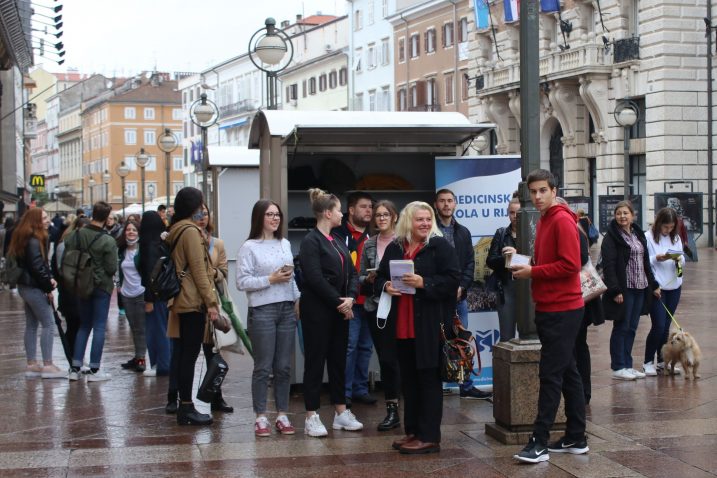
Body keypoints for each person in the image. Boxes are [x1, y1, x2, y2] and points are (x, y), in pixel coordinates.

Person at [511, 170, 587, 464]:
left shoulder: (561, 219)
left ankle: (539, 442)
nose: (537, 196)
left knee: (551, 375)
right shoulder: (546, 219)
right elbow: (552, 262)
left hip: (562, 309)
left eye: (543, 190)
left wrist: (533, 272)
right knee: (568, 372)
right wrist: (527, 262)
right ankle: (577, 436)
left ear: (554, 190)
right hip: (553, 307)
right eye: (533, 191)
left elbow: (570, 265)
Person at [375, 201, 459, 455]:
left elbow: (453, 279)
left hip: (429, 325)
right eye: (419, 219)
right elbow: (379, 276)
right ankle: (412, 432)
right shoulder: (396, 246)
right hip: (401, 325)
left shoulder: (439, 245)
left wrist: (425, 283)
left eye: (427, 219)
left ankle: (430, 437)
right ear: (408, 221)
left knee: (428, 380)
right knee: (408, 381)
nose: (424, 223)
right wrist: (385, 286)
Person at [299, 188, 362, 437]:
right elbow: (314, 278)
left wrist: (351, 298)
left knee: (338, 362)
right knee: (315, 363)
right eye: (338, 210)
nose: (342, 214)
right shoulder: (310, 241)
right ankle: (311, 416)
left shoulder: (336, 240)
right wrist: (340, 302)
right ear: (327, 213)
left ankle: (340, 412)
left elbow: (354, 273)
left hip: (340, 311)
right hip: (318, 311)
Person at [237, 199, 300, 437]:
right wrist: (270, 280)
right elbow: (242, 282)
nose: (275, 218)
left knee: (284, 366)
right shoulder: (249, 247)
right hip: (262, 310)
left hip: (286, 308)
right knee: (263, 367)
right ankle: (260, 416)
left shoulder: (284, 243)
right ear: (259, 218)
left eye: (277, 215)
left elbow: (291, 276)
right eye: (270, 214)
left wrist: (297, 299)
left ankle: (282, 414)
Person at [166, 187, 220, 426]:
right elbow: (199, 271)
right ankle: (186, 407)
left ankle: (183, 404)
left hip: (182, 298)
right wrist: (211, 302)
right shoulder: (190, 232)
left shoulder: (176, 228)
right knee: (189, 355)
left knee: (185, 354)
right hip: (191, 300)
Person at [434, 189, 489, 400]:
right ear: (436, 204)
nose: (446, 205)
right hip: (437, 298)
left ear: (455, 204)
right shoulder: (430, 231)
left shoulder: (463, 232)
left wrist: (462, 287)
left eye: (450, 201)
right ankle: (436, 387)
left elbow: (469, 263)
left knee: (462, 343)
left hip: (459, 297)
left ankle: (466, 386)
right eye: (442, 201)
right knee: (438, 342)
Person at [601, 200, 660, 381]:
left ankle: (628, 364)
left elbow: (645, 262)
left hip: (640, 287)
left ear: (632, 215)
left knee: (632, 328)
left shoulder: (637, 234)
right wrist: (615, 290)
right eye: (618, 213)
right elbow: (609, 266)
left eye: (625, 213)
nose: (622, 216)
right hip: (624, 289)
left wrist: (654, 284)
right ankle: (618, 366)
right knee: (622, 327)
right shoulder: (611, 237)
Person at [359, 200, 402, 431]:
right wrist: (370, 279)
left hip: (402, 305)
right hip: (376, 307)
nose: (381, 218)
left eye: (386, 214)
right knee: (386, 359)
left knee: (403, 358)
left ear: (395, 217)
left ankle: (409, 406)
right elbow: (358, 279)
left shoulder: (404, 241)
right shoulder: (369, 245)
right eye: (378, 215)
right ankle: (392, 409)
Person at [9, 208, 65, 379]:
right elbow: (37, 266)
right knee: (48, 323)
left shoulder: (25, 237)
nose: (48, 220)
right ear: (35, 221)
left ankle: (32, 363)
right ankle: (47, 364)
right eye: (45, 218)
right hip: (33, 286)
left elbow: (37, 265)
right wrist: (48, 286)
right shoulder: (34, 240)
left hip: (25, 285)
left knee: (32, 324)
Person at [332, 191, 376, 406]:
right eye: (364, 206)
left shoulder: (373, 236)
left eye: (370, 207)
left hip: (369, 301)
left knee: (366, 347)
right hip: (348, 301)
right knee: (349, 347)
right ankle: (345, 392)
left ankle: (360, 388)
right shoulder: (338, 234)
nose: (369, 210)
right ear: (350, 210)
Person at [67, 201, 118, 382]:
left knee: (84, 325)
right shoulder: (108, 240)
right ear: (105, 218)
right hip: (101, 286)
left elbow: (67, 251)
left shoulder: (76, 235)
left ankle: (75, 367)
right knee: (99, 327)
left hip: (81, 284)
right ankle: (95, 368)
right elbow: (112, 267)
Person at [196, 203, 234, 413]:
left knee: (213, 352)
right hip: (193, 303)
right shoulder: (189, 238)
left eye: (205, 213)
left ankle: (215, 397)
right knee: (188, 352)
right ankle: (176, 397)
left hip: (212, 303)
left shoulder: (217, 243)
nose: (202, 217)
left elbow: (223, 272)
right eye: (197, 214)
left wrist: (208, 273)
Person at [643, 207, 684, 376]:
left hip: (674, 285)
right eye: (666, 227)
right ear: (659, 223)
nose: (668, 230)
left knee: (666, 326)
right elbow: (645, 262)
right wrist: (657, 258)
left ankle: (662, 360)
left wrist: (678, 260)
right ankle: (647, 362)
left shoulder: (676, 238)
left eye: (671, 227)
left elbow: (682, 258)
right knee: (658, 325)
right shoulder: (648, 237)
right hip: (658, 287)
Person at [574, 210, 604, 405]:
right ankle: (582, 391)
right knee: (579, 345)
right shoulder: (577, 229)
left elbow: (581, 258)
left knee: (578, 345)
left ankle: (582, 391)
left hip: (578, 297)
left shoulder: (576, 230)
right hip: (578, 299)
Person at [138, 210, 171, 377]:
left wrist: (148, 299)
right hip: (166, 292)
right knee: (165, 328)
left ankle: (162, 364)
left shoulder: (148, 246)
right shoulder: (163, 242)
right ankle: (164, 362)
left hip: (156, 295)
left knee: (157, 330)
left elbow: (150, 275)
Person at [52, 216, 89, 357]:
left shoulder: (85, 244)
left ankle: (77, 355)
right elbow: (61, 270)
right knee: (74, 324)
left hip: (80, 291)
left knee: (79, 324)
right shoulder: (64, 245)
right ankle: (72, 356)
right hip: (69, 292)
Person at [487, 194, 520, 342]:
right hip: (506, 287)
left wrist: (517, 255)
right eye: (512, 213)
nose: (515, 216)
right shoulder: (501, 233)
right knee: (506, 337)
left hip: (529, 288)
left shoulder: (533, 232)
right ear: (508, 213)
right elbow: (490, 261)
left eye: (518, 213)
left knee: (530, 336)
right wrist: (506, 258)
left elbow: (537, 260)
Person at [116, 220, 146, 373]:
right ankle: (137, 356)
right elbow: (118, 270)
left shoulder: (142, 250)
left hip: (141, 292)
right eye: (128, 229)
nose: (131, 232)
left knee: (140, 328)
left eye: (134, 230)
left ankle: (141, 358)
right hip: (126, 294)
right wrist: (118, 286)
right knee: (133, 327)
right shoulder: (122, 251)